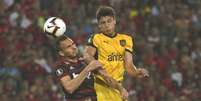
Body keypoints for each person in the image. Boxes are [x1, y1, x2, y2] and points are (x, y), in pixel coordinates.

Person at [84, 6, 149, 101]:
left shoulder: (126, 39)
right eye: (103, 22)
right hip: (100, 87)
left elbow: (129, 66)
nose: (107, 25)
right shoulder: (96, 38)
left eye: (109, 21)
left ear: (114, 21)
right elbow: (87, 56)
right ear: (99, 25)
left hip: (117, 87)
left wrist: (137, 72)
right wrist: (97, 67)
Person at [53, 36, 128, 101]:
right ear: (61, 53)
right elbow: (69, 88)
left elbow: (106, 76)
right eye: (68, 47)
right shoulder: (61, 67)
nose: (74, 47)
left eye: (73, 44)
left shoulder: (85, 62)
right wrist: (87, 69)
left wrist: (120, 88)